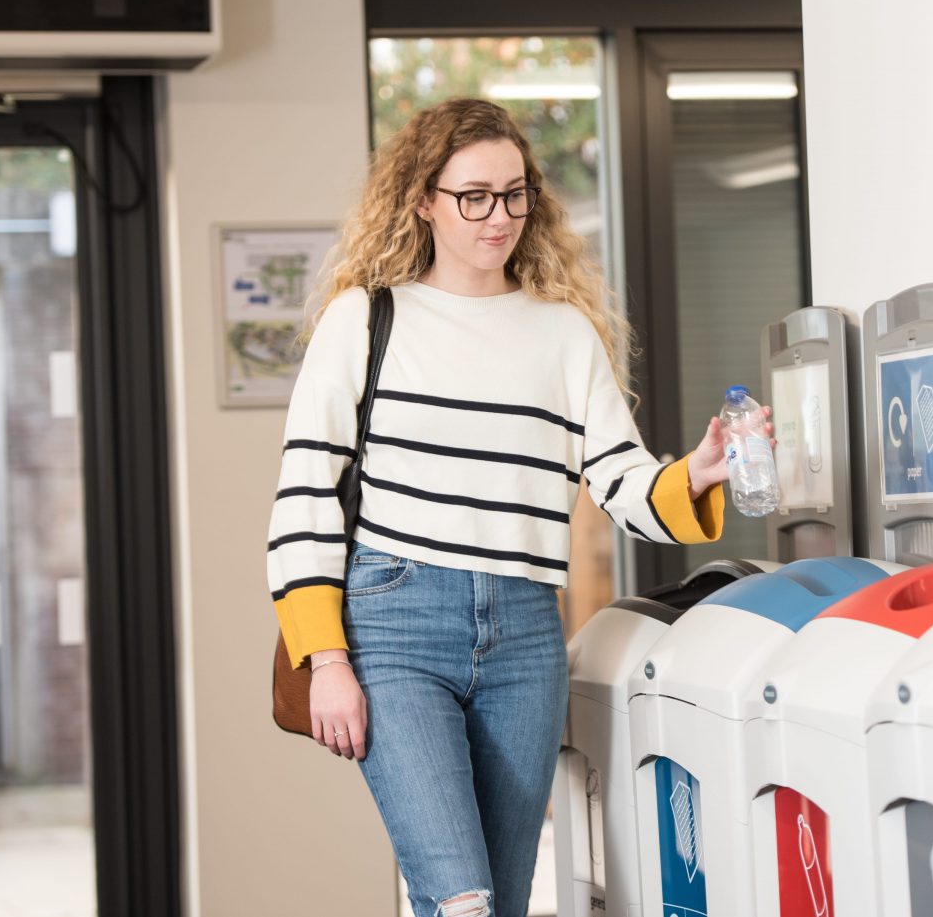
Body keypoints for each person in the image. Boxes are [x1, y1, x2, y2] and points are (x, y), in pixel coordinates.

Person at [266, 98, 769, 917]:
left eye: (513, 193)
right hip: (394, 623)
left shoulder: (562, 333)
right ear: (424, 200)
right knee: (459, 895)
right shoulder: (367, 318)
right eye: (472, 196)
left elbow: (623, 484)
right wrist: (326, 659)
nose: (496, 216)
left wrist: (702, 470)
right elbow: (305, 494)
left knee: (500, 899)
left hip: (526, 633)